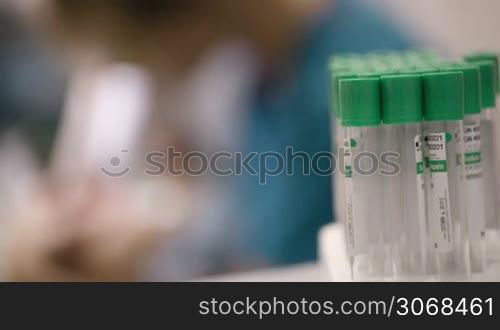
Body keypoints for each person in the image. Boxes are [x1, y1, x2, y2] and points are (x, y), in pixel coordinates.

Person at [9, 0, 415, 280]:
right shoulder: (264, 76)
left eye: (123, 50)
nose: (133, 70)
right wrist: (149, 241)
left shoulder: (358, 74)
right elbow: (259, 230)